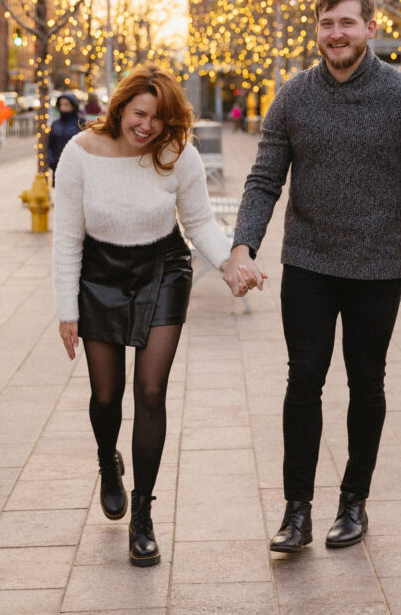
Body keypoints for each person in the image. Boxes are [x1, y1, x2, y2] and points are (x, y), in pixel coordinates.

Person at [224, 0, 401, 553]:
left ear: (369, 29)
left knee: (365, 384)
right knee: (303, 381)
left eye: (347, 23)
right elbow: (263, 181)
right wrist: (241, 246)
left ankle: (354, 504)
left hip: (377, 268)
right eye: (327, 23)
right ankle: (296, 511)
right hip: (307, 263)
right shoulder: (294, 96)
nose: (336, 34)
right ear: (318, 29)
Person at [52, 64, 256, 567]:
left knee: (150, 391)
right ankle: (107, 461)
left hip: (163, 270)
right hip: (97, 274)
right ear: (120, 107)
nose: (147, 126)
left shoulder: (176, 155)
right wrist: (66, 310)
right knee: (106, 396)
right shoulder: (79, 155)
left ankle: (142, 517)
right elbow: (66, 237)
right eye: (140, 114)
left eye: (159, 119)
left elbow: (200, 222)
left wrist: (231, 262)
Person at [48, 93, 81, 185]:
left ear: (73, 106)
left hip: (75, 167)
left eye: (66, 105)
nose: (63, 108)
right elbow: (50, 144)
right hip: (58, 166)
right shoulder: (55, 125)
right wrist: (51, 161)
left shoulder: (80, 123)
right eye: (61, 105)